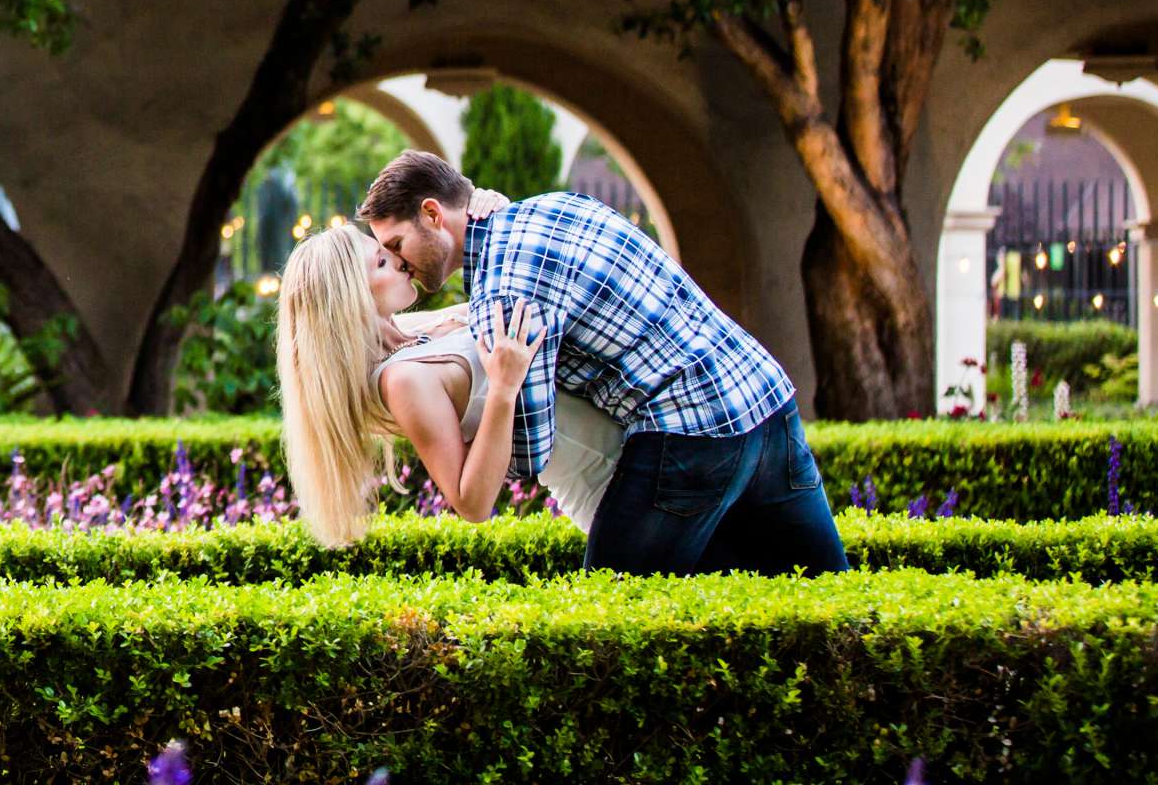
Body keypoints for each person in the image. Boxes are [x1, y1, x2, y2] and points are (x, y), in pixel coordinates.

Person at [358, 149, 849, 576]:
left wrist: (474, 414)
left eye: (397, 246)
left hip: (690, 432)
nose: (401, 263)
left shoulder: (503, 293)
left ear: (432, 214)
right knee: (829, 603)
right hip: (767, 398)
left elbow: (532, 450)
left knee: (609, 625)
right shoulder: (553, 207)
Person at [274, 211, 624, 547]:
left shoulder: (414, 330)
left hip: (635, 438)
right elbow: (472, 503)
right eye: (381, 263)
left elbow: (507, 294)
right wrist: (503, 390)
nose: (399, 261)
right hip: (606, 481)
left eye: (388, 252)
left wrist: (481, 207)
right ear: (350, 300)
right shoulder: (402, 380)